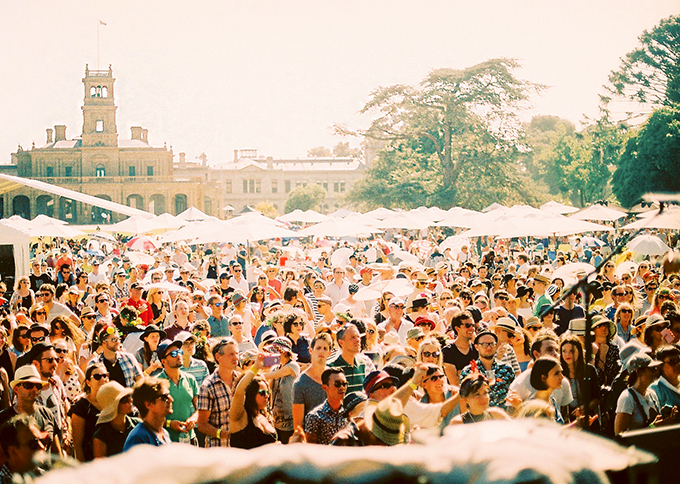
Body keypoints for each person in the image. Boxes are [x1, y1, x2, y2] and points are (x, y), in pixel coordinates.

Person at [0, 365, 60, 456]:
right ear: (16, 389)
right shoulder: (4, 419)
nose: (34, 389)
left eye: (38, 386)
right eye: (29, 385)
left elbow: (57, 452)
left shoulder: (47, 414)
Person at [614, 353, 676, 434]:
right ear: (639, 372)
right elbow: (619, 434)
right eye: (652, 369)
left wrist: (666, 419)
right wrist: (653, 427)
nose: (655, 372)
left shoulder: (652, 394)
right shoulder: (627, 398)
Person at [196, 338, 239, 447]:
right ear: (218, 357)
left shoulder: (241, 380)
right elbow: (202, 424)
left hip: (240, 449)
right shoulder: (208, 386)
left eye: (237, 353)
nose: (236, 358)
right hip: (218, 449)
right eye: (231, 354)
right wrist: (223, 434)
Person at [229, 353, 278, 448]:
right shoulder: (239, 416)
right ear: (250, 394)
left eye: (267, 392)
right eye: (262, 392)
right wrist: (255, 368)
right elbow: (239, 393)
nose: (267, 396)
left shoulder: (264, 414)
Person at [156, 339, 199, 444]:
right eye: (173, 354)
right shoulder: (156, 383)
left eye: (179, 352)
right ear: (163, 361)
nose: (179, 356)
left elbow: (200, 408)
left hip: (190, 439)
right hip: (166, 442)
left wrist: (193, 419)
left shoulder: (190, 379)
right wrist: (169, 424)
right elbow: (148, 416)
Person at [459, 331, 515, 408]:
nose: (489, 347)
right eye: (484, 344)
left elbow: (514, 393)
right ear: (477, 347)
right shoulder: (469, 371)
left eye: (492, 344)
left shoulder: (506, 369)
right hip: (480, 417)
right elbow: (463, 399)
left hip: (503, 415)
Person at [263, 336, 300, 443]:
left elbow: (273, 375)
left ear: (284, 353)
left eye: (276, 352)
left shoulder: (293, 366)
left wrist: (254, 375)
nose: (273, 355)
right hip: (276, 419)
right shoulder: (275, 367)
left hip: (291, 420)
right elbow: (269, 389)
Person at [69, 363, 109, 462]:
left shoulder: (111, 402)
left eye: (105, 375)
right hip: (90, 460)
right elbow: (77, 445)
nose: (102, 379)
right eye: (97, 376)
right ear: (88, 382)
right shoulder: (81, 407)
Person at [292, 333, 332, 431]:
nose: (321, 351)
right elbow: (298, 425)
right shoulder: (300, 383)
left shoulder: (334, 377)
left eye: (325, 348)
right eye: (318, 348)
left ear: (330, 353)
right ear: (311, 351)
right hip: (312, 439)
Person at [123, 377, 173, 451]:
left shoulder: (164, 433)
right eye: (164, 397)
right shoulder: (138, 438)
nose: (171, 399)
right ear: (149, 404)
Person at [92, 381, 137, 458]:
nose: (130, 400)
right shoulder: (101, 436)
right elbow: (101, 467)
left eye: (129, 396)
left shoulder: (138, 424)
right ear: (113, 406)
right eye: (124, 399)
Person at [304, 368, 348, 445]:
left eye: (344, 384)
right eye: (337, 384)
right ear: (325, 387)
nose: (342, 388)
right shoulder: (315, 416)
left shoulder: (350, 413)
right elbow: (310, 448)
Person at [327, 324, 375, 394]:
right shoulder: (331, 366)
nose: (357, 340)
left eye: (358, 337)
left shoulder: (365, 363)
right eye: (352, 337)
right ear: (341, 342)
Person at [0, 415, 47, 484]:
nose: (42, 447)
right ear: (13, 452)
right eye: (33, 443)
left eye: (40, 441)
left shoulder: (44, 477)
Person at [442, 311, 478, 386]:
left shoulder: (477, 349)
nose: (472, 328)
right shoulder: (448, 351)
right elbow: (455, 383)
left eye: (473, 325)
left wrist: (462, 374)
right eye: (467, 325)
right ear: (457, 329)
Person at [527, 357, 565, 424]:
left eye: (561, 372)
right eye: (556, 373)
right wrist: (575, 425)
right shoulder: (534, 408)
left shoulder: (552, 401)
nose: (562, 377)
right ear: (543, 378)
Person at [649, 345, 680, 410]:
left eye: (679, 360)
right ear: (661, 365)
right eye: (672, 361)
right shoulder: (655, 389)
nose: (678, 364)